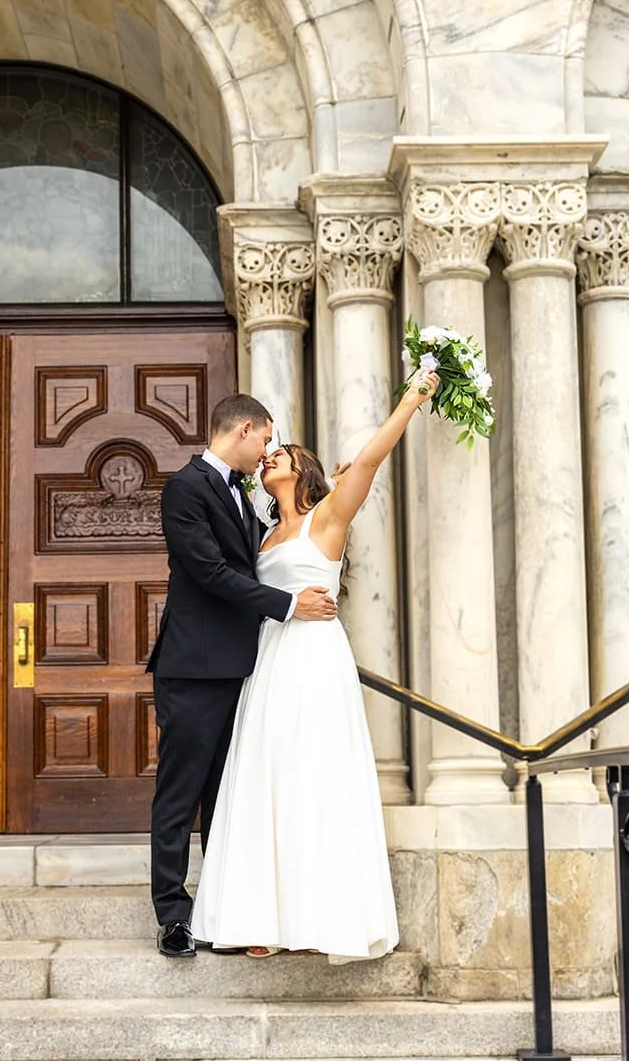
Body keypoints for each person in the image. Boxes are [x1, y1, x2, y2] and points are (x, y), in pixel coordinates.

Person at [190, 373, 439, 961]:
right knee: (266, 778)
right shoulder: (262, 531)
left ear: (303, 472)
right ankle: (265, 920)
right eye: (267, 449)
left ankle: (319, 919)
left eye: (283, 452)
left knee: (313, 779)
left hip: (314, 661)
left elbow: (372, 461)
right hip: (269, 662)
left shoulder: (327, 517)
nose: (270, 454)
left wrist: (411, 398)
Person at [146, 393, 339, 958]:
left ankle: (226, 908)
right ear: (246, 430)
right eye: (267, 439)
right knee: (181, 794)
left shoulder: (239, 496)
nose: (269, 450)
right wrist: (286, 604)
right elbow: (207, 571)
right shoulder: (185, 488)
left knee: (228, 797)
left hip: (244, 671)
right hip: (193, 670)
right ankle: (173, 915)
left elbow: (273, 545)